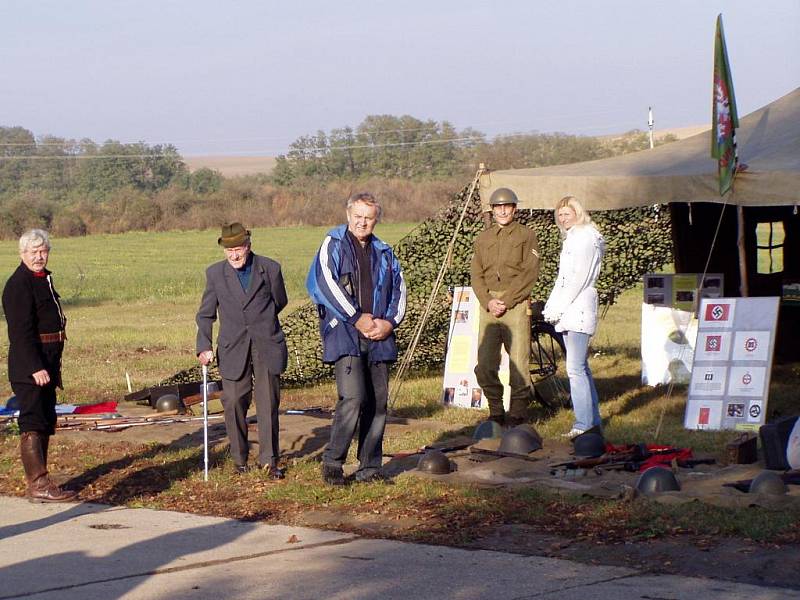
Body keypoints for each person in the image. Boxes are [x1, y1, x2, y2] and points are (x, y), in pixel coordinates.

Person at [306, 192, 406, 485]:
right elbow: (324, 282)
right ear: (348, 215)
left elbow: (399, 289)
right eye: (358, 216)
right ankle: (333, 463)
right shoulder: (332, 244)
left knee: (377, 403)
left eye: (369, 217)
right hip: (345, 333)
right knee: (352, 398)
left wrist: (388, 323)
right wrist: (356, 317)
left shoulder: (385, 251)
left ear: (376, 220)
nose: (363, 222)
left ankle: (369, 468)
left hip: (379, 336)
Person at [196, 223, 289, 478]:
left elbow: (279, 301)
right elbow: (205, 314)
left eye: (238, 249)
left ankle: (269, 462)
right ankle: (239, 459)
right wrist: (203, 345)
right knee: (234, 401)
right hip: (232, 347)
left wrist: (261, 323)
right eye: (229, 251)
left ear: (248, 246)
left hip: (266, 344)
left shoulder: (270, 268)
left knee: (268, 402)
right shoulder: (215, 274)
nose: (234, 255)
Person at [3, 229, 77, 502]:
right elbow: (20, 333)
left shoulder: (43, 279)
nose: (38, 256)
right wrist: (36, 367)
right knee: (33, 421)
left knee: (45, 418)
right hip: (30, 366)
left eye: (42, 251)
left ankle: (42, 481)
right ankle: (38, 484)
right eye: (33, 252)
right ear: (22, 254)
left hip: (48, 362)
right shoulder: (18, 285)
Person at [471, 188, 540, 428]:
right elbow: (476, 275)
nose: (502, 210)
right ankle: (496, 410)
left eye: (507, 206)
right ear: (492, 210)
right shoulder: (483, 239)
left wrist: (508, 301)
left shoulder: (526, 235)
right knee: (485, 363)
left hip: (516, 303)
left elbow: (530, 272)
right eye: (498, 207)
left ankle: (518, 413)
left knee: (519, 362)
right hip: (488, 304)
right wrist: (488, 301)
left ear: (514, 209)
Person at [543, 196, 605, 438]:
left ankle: (583, 424)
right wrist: (553, 304)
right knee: (581, 367)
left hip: (578, 307)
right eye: (560, 214)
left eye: (567, 213)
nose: (562, 217)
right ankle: (593, 421)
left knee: (575, 369)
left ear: (578, 214)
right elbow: (564, 278)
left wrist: (560, 305)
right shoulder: (573, 238)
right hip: (570, 308)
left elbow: (578, 278)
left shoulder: (584, 238)